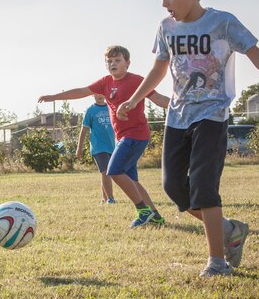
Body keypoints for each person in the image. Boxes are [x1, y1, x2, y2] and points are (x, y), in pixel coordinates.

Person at [116, 0, 259, 277]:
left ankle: (217, 262)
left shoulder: (222, 22)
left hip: (212, 114)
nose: (163, 3)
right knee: (174, 188)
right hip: (177, 116)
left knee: (203, 184)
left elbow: (254, 52)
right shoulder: (165, 28)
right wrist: (135, 97)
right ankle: (229, 230)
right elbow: (159, 70)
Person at [39, 45, 170, 227]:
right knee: (132, 180)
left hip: (136, 135)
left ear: (127, 63)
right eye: (109, 61)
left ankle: (143, 210)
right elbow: (82, 91)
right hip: (122, 137)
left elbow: (159, 99)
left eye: (117, 60)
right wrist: (54, 96)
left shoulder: (137, 81)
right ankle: (155, 216)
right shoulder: (105, 82)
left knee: (114, 171)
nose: (113, 64)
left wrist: (186, 107)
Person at [76, 94, 116, 204]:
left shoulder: (111, 107)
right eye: (97, 93)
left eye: (102, 93)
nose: (100, 95)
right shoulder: (91, 110)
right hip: (98, 146)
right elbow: (83, 130)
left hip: (112, 146)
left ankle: (104, 198)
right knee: (105, 172)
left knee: (107, 172)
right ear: (93, 95)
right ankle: (111, 199)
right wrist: (79, 148)